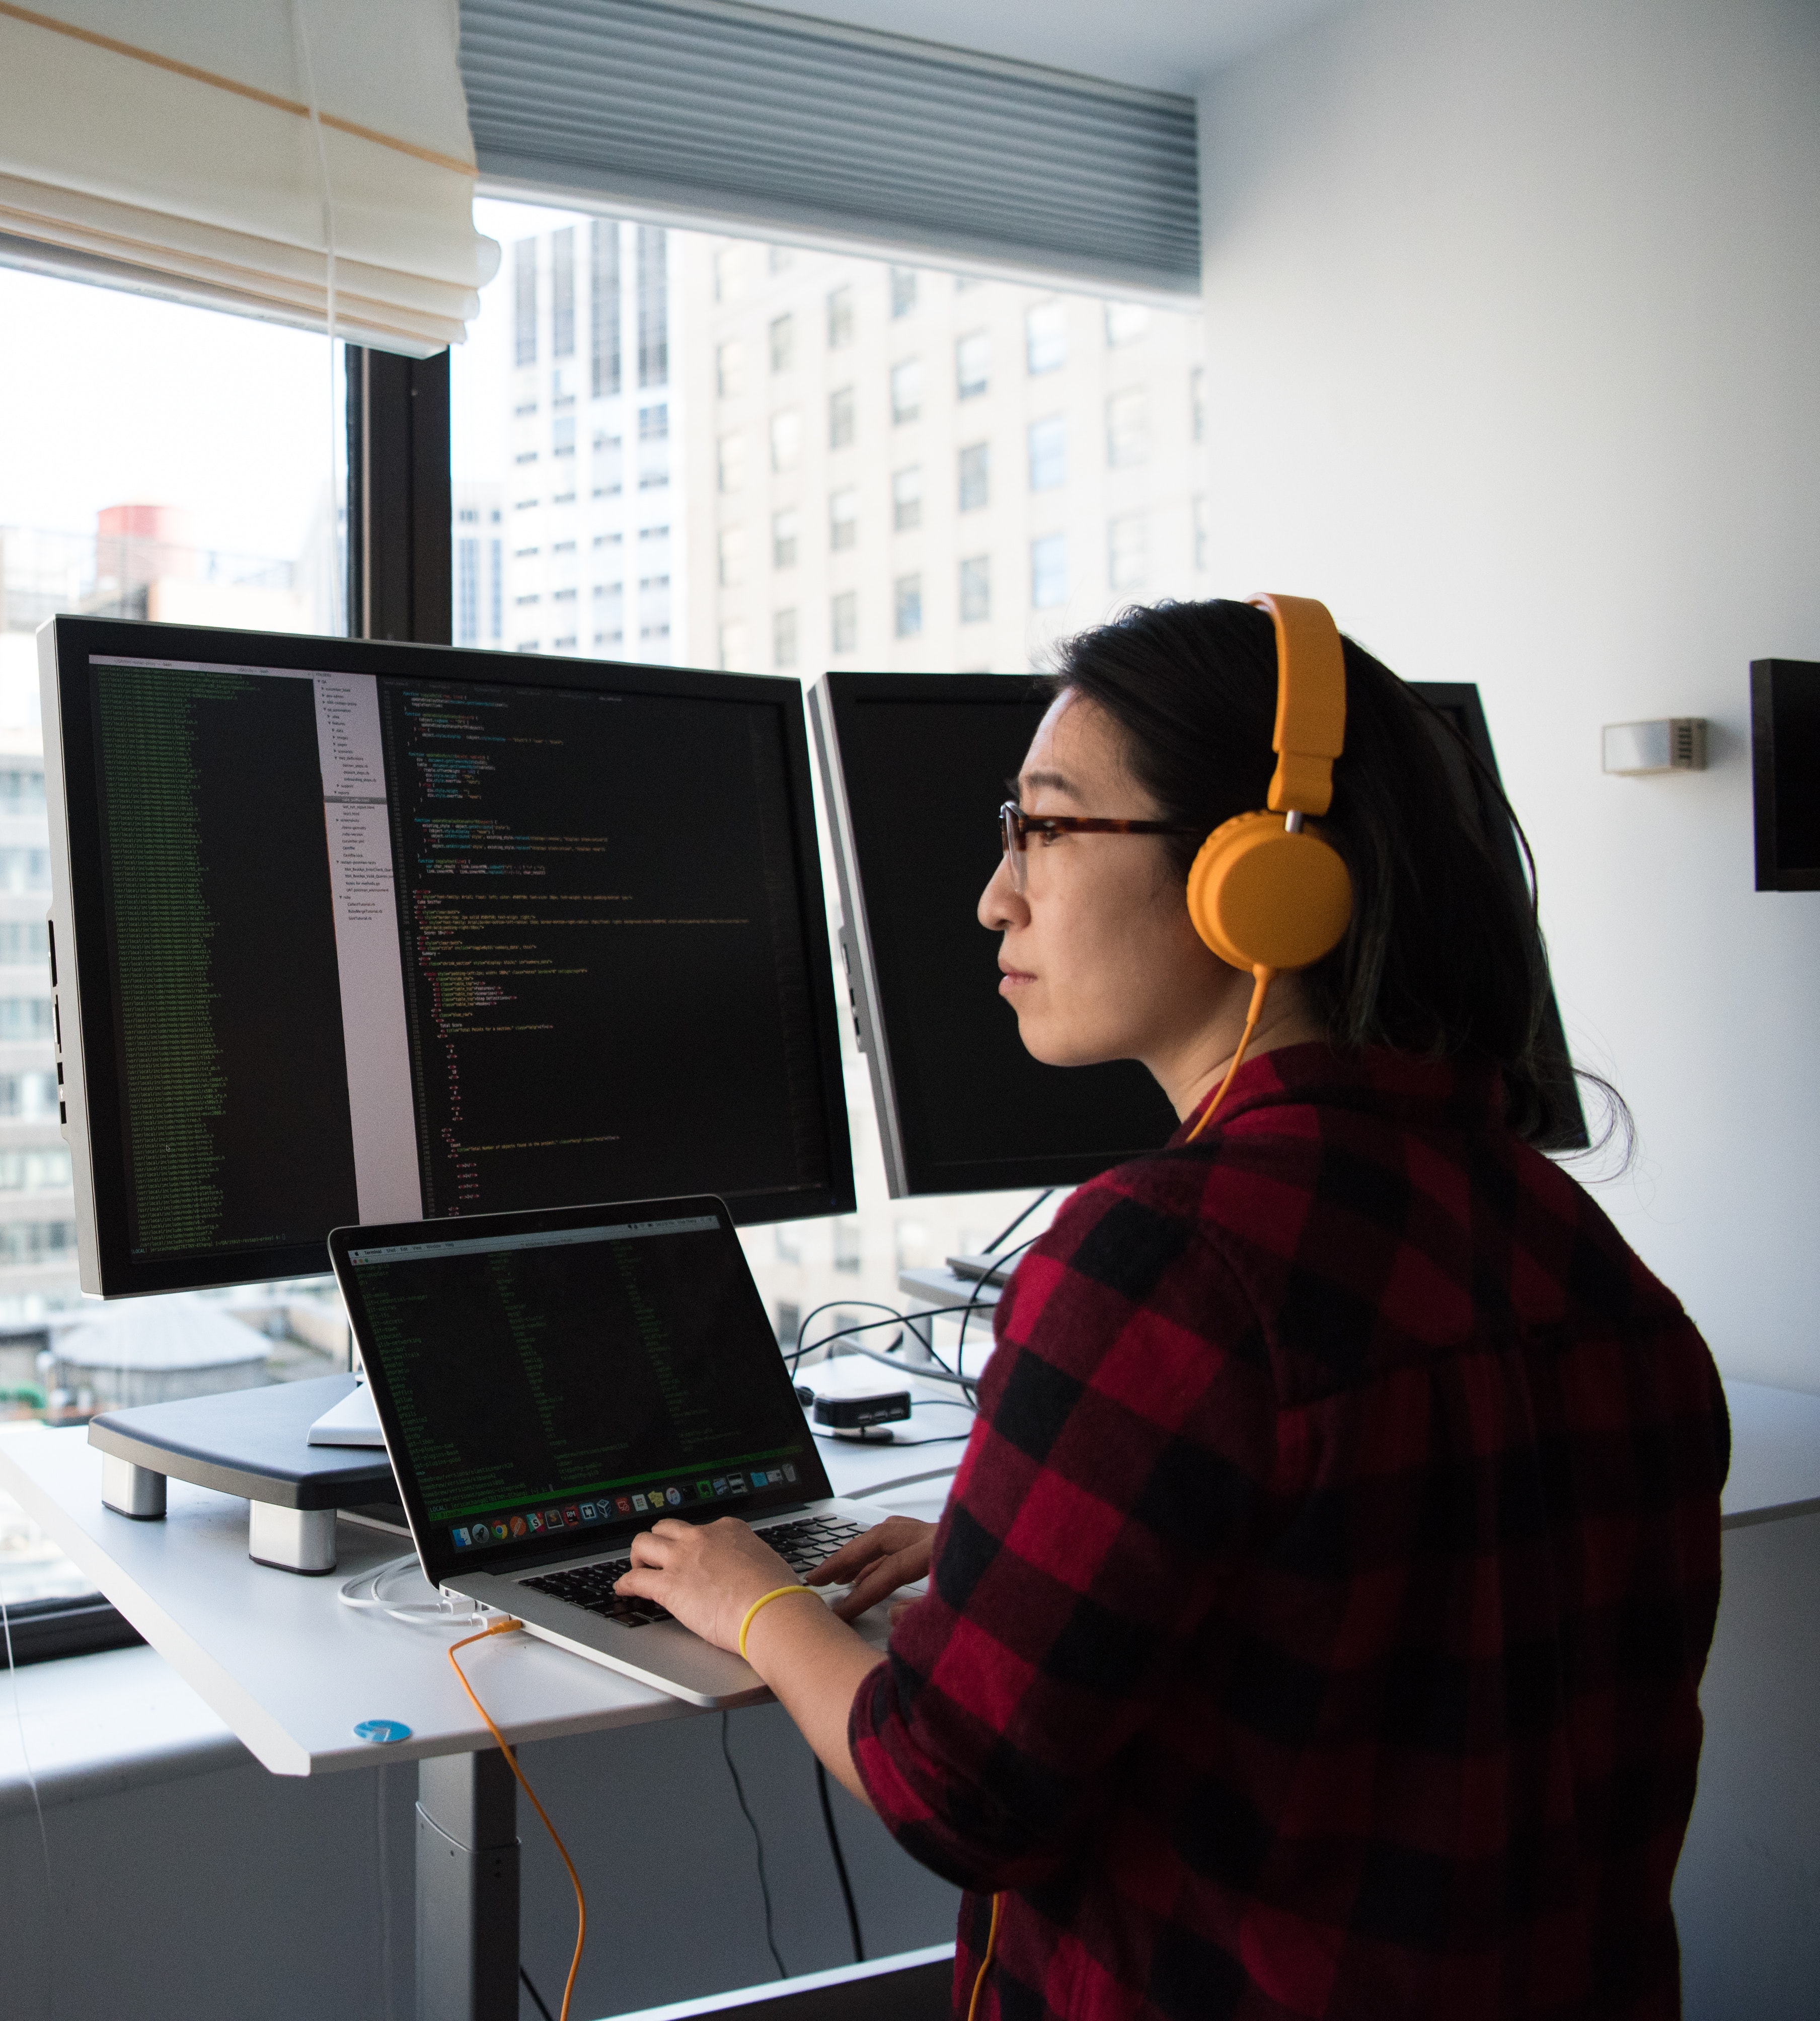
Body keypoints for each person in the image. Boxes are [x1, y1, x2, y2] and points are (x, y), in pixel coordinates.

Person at [617, 599, 1727, 2018]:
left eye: (1047, 828)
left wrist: (757, 1598)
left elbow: (953, 1790)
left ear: (1259, 880)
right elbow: (1379, 1582)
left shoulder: (1166, 1260)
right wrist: (1025, 1538)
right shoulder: (1581, 1253)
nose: (994, 896)